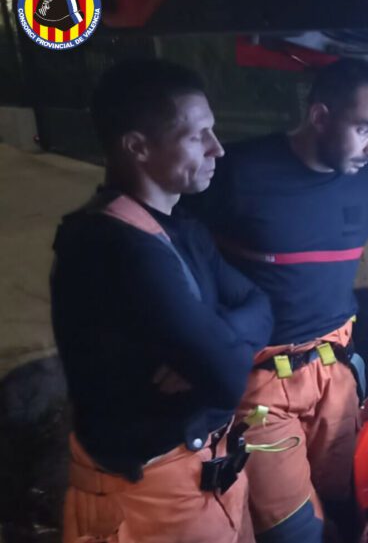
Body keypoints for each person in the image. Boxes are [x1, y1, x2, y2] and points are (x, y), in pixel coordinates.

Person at [186, 58, 368, 541]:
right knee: (294, 530)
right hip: (260, 386)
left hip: (335, 376)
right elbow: (176, 240)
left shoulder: (363, 179)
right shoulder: (239, 172)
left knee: (341, 502)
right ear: (320, 116)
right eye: (365, 131)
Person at [51, 59, 273, 543]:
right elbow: (226, 378)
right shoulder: (112, 245)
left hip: (206, 474)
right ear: (138, 147)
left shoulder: (184, 229)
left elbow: (262, 305)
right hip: (148, 500)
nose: (217, 148)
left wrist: (216, 337)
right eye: (197, 136)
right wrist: (215, 350)